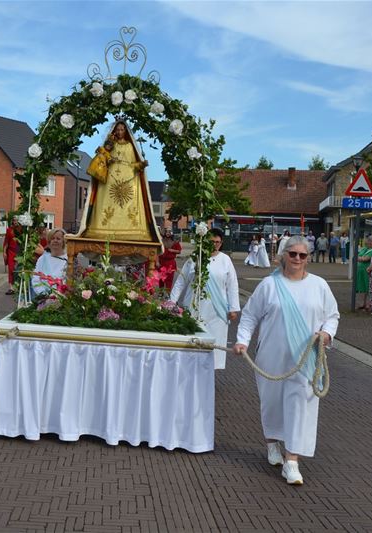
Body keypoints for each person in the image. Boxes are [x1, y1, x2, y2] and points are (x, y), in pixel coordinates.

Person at [233, 235, 339, 486]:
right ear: (284, 255)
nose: (298, 259)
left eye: (303, 255)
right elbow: (249, 317)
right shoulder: (269, 285)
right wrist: (242, 341)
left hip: (306, 360)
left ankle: (292, 461)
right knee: (271, 403)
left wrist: (326, 333)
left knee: (300, 405)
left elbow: (332, 316)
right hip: (271, 356)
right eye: (293, 254)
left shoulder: (320, 285)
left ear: (308, 258)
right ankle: (272, 443)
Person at [169, 228, 240, 369]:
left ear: (221, 243)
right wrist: (171, 302)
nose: (214, 244)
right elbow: (181, 282)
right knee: (193, 341)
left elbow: (232, 285)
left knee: (214, 343)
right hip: (195, 307)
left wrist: (233, 308)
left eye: (218, 242)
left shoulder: (225, 260)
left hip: (217, 310)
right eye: (211, 241)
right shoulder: (195, 259)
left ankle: (210, 375)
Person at [78, 121, 157, 242]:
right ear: (115, 130)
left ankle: (132, 230)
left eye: (122, 130)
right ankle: (101, 229)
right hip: (110, 178)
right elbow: (103, 156)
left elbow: (133, 164)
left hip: (128, 178)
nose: (120, 132)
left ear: (125, 131)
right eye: (118, 130)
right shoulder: (110, 144)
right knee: (106, 200)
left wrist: (141, 164)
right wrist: (108, 155)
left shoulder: (130, 146)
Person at [31, 228, 68, 297]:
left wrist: (59, 295)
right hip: (43, 298)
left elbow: (71, 282)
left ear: (64, 242)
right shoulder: (43, 259)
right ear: (49, 241)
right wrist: (44, 294)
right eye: (53, 238)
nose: (55, 241)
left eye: (58, 238)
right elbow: (36, 278)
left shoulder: (69, 260)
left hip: (63, 299)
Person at [356, 236, 372, 310]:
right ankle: (362, 303)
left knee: (367, 286)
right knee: (361, 287)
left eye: (370, 242)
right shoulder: (364, 248)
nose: (368, 243)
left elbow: (365, 259)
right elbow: (357, 256)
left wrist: (360, 258)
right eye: (368, 241)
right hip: (360, 270)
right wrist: (360, 258)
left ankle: (368, 303)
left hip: (367, 270)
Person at [3, 217, 21, 295]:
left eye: (17, 220)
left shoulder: (21, 230)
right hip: (11, 251)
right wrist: (4, 252)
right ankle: (11, 287)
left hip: (19, 251)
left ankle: (17, 286)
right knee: (11, 269)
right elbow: (6, 242)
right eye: (14, 220)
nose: (15, 221)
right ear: (12, 221)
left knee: (18, 269)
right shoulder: (9, 230)